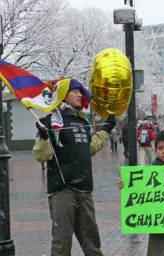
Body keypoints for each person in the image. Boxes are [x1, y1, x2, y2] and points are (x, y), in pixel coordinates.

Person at [32, 78, 115, 256]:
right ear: (62, 94)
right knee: (62, 244)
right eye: (75, 91)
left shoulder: (83, 122)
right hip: (62, 191)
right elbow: (42, 155)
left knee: (92, 242)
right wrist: (44, 137)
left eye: (80, 91)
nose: (80, 95)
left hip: (85, 189)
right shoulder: (50, 122)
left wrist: (106, 130)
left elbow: (90, 147)